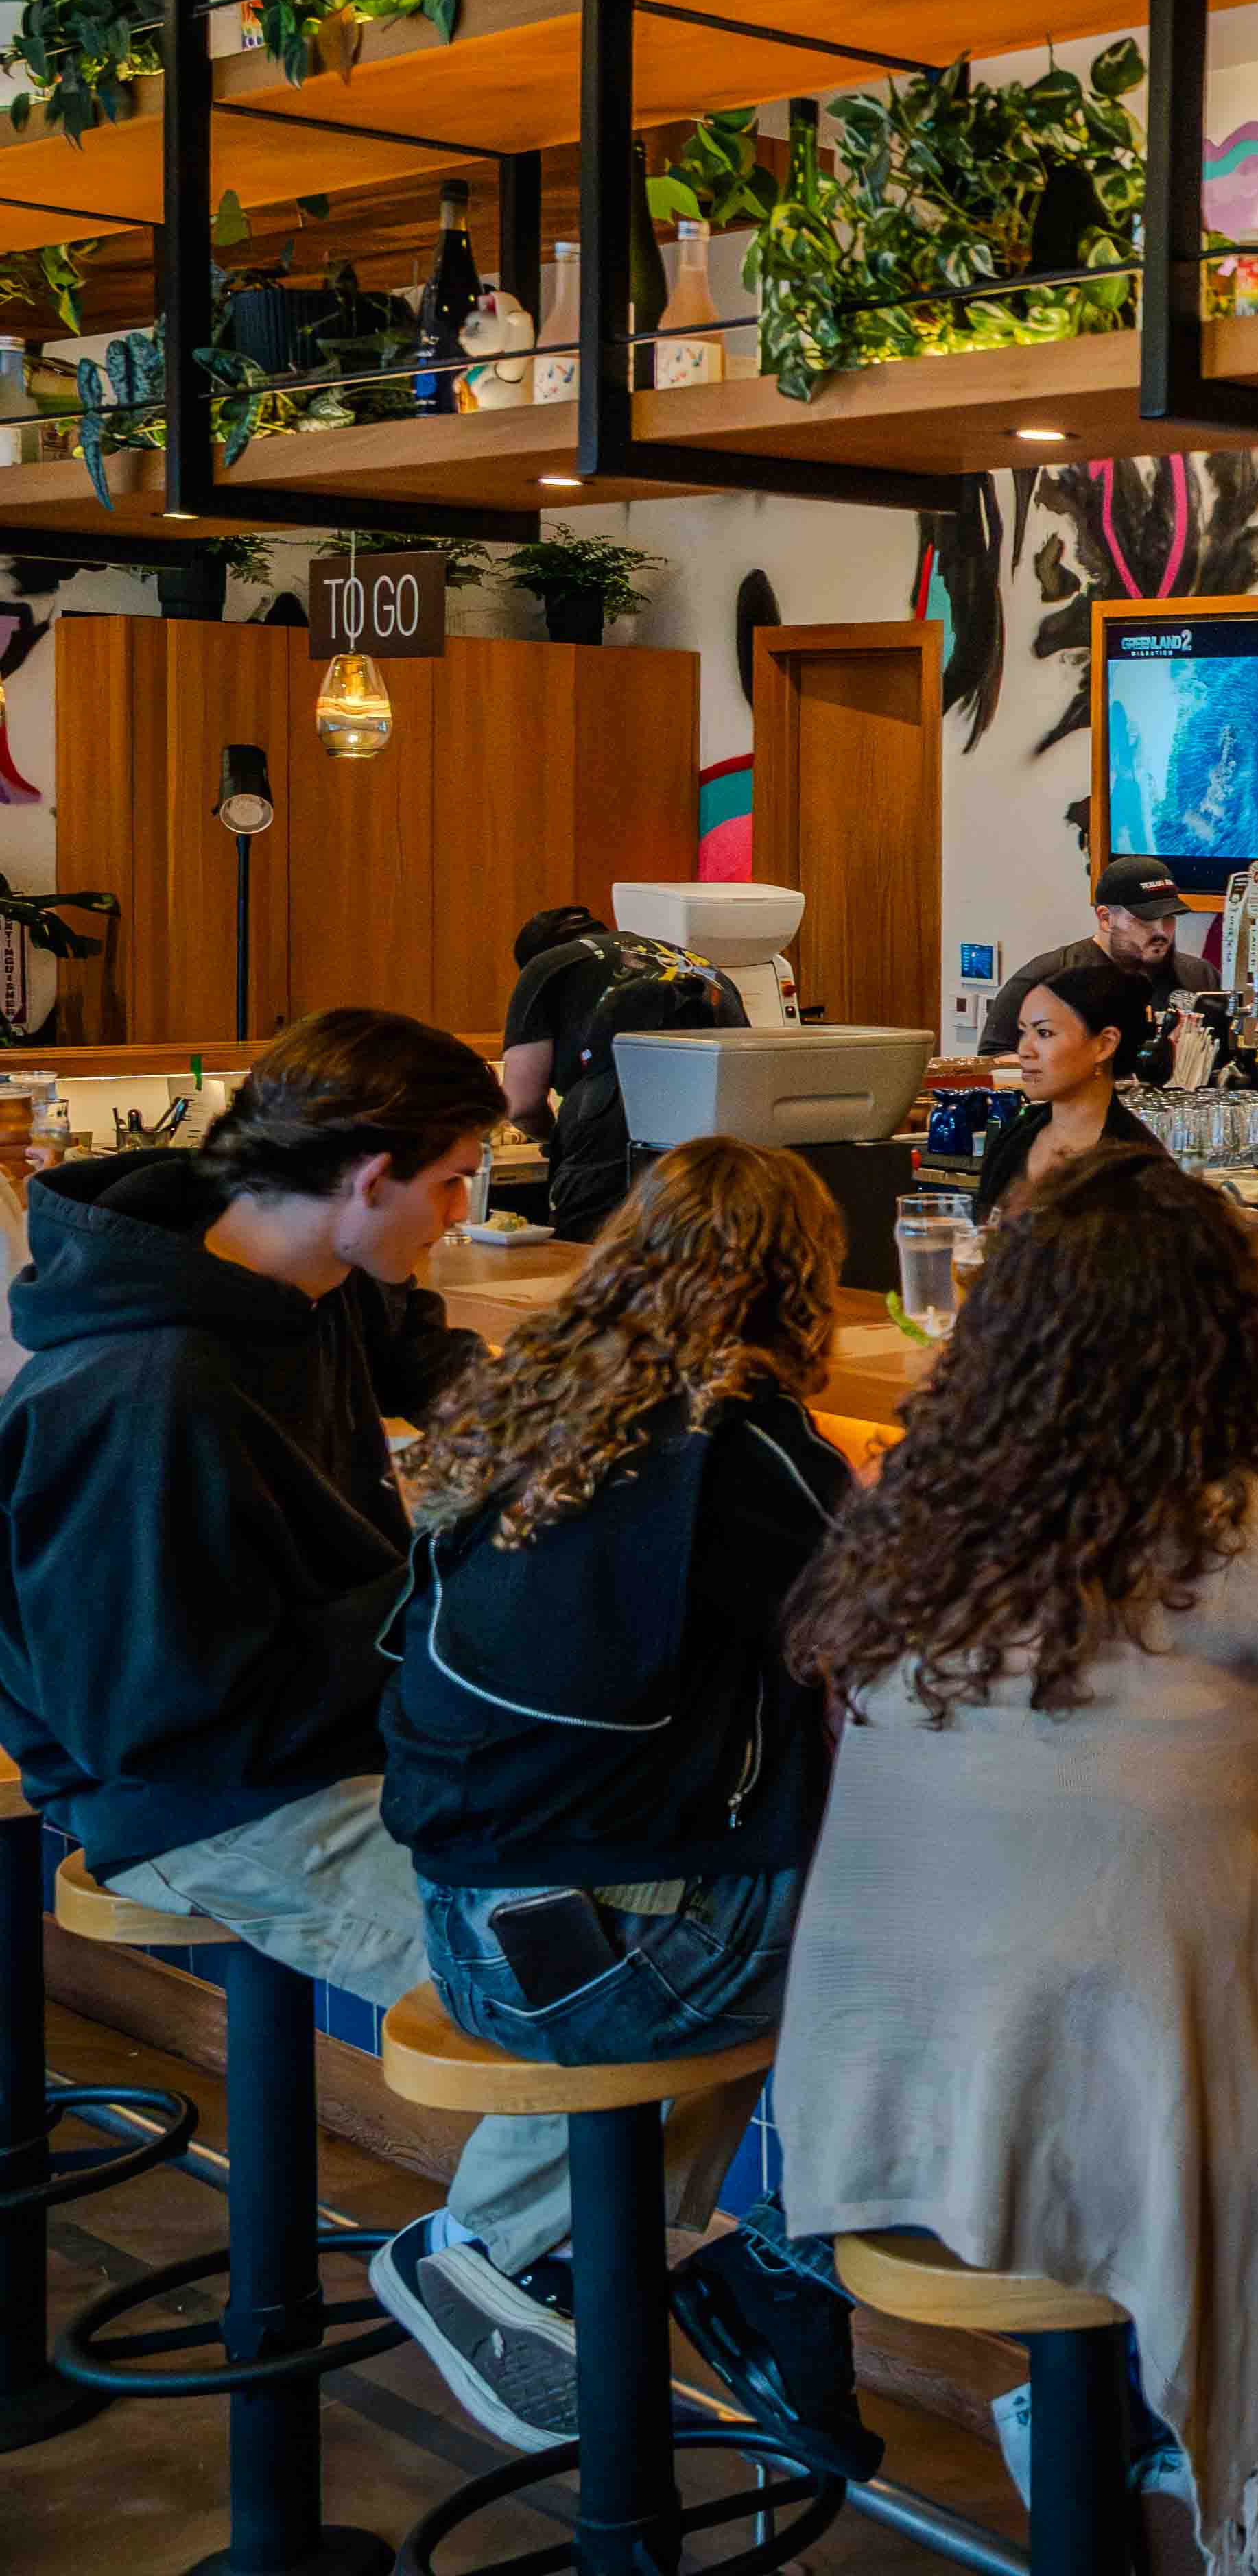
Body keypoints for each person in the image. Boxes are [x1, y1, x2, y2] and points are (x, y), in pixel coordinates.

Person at [776, 1150, 1258, 2576]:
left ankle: (1114, 2402)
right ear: (1230, 1332)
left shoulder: (908, 1507)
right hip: (1101, 2086)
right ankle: (1175, 2381)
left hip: (882, 2079)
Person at [0, 1010, 584, 2449]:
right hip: (209, 1799)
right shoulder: (144, 1391)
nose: (461, 1219)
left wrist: (560, 1425)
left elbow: (417, 1348)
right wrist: (447, 1593)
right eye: (454, 1183)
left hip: (338, 1738)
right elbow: (153, 1712)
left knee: (681, 1911)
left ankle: (543, 2268)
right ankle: (490, 2267)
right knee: (601, 1990)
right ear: (367, 1173)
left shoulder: (304, 1274)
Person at [375, 1136, 879, 2477]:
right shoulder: (742, 1438)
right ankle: (753, 2270)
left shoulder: (538, 1393)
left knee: (798, 1898)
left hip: (470, 1923)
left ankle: (590, 2264)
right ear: (796, 1280)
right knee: (922, 1943)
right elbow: (898, 1639)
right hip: (603, 1962)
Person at [501, 904, 745, 1241]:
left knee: (590, 1261)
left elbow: (522, 1105)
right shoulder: (700, 964)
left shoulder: (547, 966)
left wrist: (553, 1138)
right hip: (719, 1136)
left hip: (611, 1125)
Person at [971, 953, 1176, 1224]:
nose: (1024, 1050)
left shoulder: (1139, 1168)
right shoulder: (1018, 1135)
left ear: (1104, 1045)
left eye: (1044, 1033)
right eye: (1023, 1032)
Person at [977, 855, 1192, 1060]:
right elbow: (993, 1057)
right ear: (1106, 918)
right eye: (1146, 920)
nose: (1162, 931)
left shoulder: (1197, 974)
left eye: (1169, 918)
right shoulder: (1047, 978)